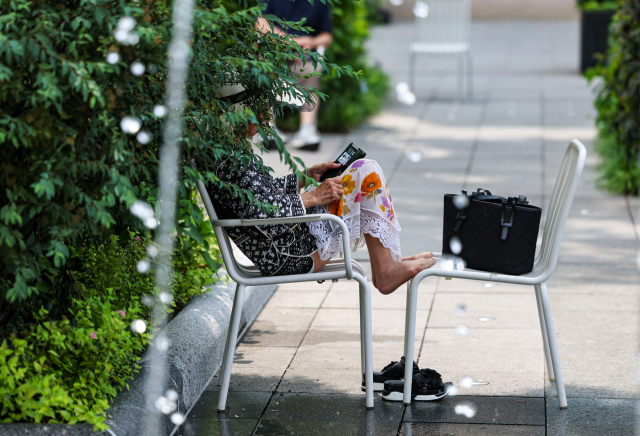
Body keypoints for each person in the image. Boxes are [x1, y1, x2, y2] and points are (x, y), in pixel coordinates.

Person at [208, 86, 436, 295]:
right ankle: (386, 268)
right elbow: (257, 211)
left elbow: (262, 195)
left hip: (286, 239)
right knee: (366, 172)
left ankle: (385, 263)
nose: (263, 119)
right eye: (258, 112)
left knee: (362, 170)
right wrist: (313, 197)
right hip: (288, 253)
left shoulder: (228, 151)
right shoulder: (227, 161)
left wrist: (306, 175)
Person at [255, 0, 333, 151]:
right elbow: (260, 24)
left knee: (312, 69)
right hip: (274, 52)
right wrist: (290, 42)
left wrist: (311, 42)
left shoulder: (319, 2)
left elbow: (327, 36)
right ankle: (268, 128)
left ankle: (307, 130)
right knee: (265, 67)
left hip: (304, 56)